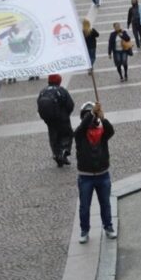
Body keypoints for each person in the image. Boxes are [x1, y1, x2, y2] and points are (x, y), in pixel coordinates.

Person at [73, 102, 116, 243]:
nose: (91, 119)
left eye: (93, 116)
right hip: (85, 177)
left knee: (105, 204)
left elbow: (111, 131)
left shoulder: (102, 133)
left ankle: (108, 227)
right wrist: (92, 113)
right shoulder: (80, 134)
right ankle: (84, 230)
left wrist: (103, 118)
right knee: (85, 206)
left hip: (103, 175)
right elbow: (82, 127)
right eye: (87, 116)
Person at [37, 74, 74, 167]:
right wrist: (66, 114)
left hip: (50, 120)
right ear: (59, 81)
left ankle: (56, 154)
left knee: (53, 137)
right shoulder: (61, 90)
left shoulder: (43, 92)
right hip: (62, 119)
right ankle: (64, 151)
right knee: (67, 134)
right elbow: (70, 105)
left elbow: (39, 105)